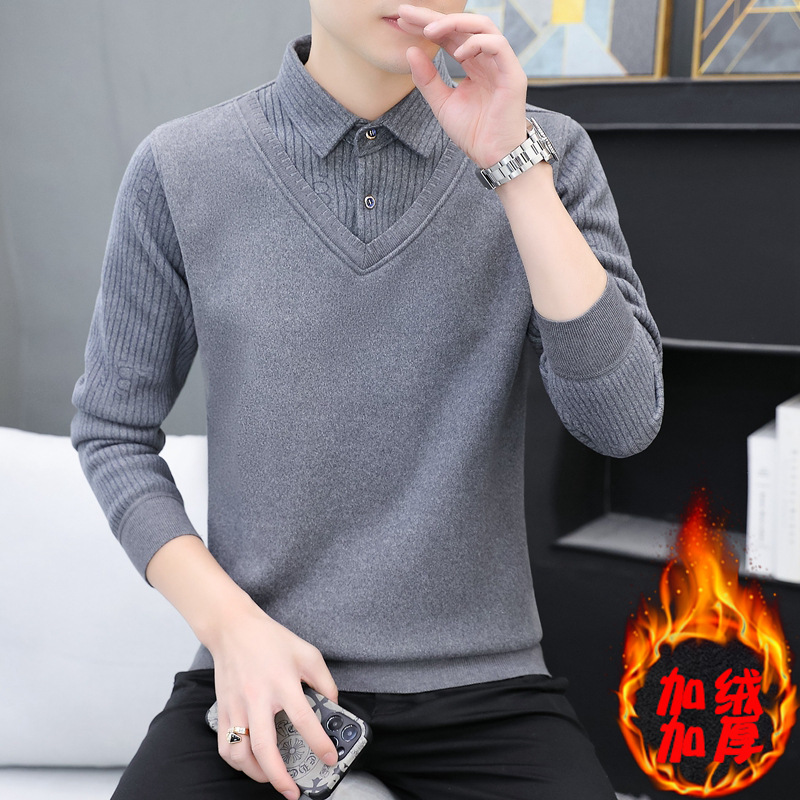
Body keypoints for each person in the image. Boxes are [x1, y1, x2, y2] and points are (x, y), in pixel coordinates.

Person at [70, 3, 664, 799]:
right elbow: (112, 430)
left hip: (486, 687)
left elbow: (623, 422)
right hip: (262, 670)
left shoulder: (548, 150)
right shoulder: (182, 166)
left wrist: (515, 171)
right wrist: (232, 629)